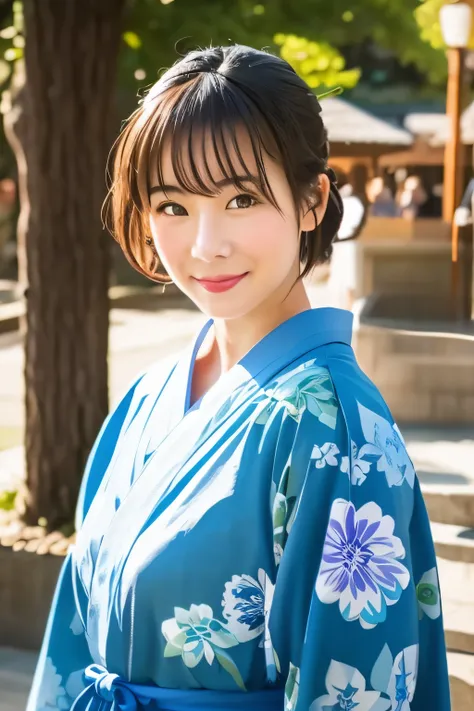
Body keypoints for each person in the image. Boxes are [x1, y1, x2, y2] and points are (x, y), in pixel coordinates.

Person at [27, 45, 450, 711]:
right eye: (172, 205)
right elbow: (72, 650)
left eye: (241, 197)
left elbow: (351, 687)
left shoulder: (336, 429)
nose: (205, 244)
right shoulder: (147, 398)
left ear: (313, 201)